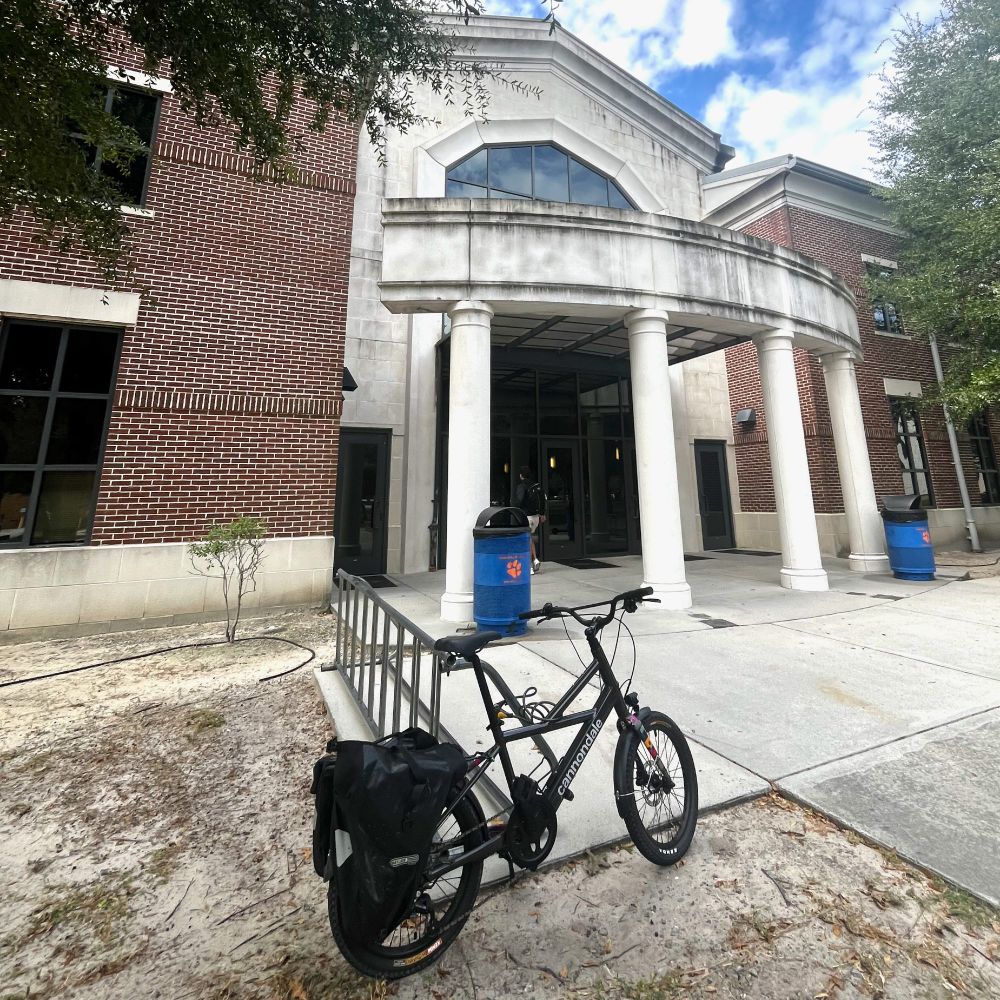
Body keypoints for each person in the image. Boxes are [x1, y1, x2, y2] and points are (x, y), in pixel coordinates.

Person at [513, 466, 545, 574]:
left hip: (526, 516)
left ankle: (529, 567)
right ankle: (535, 559)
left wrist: (515, 506)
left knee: (525, 540)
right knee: (529, 538)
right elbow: (543, 499)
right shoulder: (536, 486)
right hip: (536, 516)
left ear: (521, 475)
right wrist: (542, 514)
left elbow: (519, 501)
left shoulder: (522, 486)